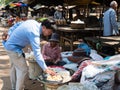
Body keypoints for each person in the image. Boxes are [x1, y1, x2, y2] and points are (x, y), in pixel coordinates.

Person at [3, 19, 57, 90]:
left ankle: (14, 87)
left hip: (10, 45)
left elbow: (18, 24)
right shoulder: (34, 34)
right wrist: (45, 69)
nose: (49, 34)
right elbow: (37, 54)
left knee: (14, 68)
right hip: (13, 49)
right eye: (49, 32)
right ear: (44, 27)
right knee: (23, 70)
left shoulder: (33, 22)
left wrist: (9, 33)